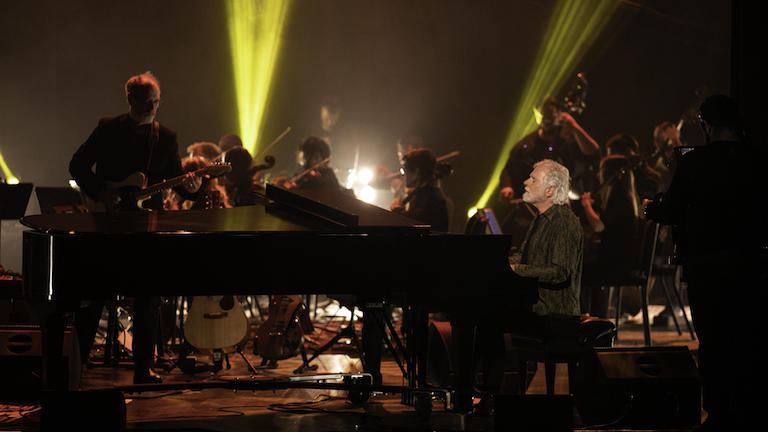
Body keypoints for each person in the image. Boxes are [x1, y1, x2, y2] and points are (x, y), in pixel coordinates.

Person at [69, 71, 201, 384]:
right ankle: (76, 368)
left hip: (146, 226)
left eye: (156, 102)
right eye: (146, 102)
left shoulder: (165, 137)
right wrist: (102, 190)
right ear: (130, 99)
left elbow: (177, 180)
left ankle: (143, 370)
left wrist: (194, 188)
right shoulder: (107, 128)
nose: (152, 107)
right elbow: (76, 165)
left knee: (149, 297)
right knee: (93, 297)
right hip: (108, 223)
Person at [644, 94, 765, 431]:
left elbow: (672, 209)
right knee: (746, 337)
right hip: (750, 263)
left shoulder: (695, 162)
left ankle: (717, 413)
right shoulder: (756, 159)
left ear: (707, 126)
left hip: (707, 265)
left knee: (712, 340)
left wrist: (650, 208)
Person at [477, 159, 583, 407]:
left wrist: (516, 269)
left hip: (554, 311)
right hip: (538, 306)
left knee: (489, 319)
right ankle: (493, 392)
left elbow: (559, 272)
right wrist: (496, 260)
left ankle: (494, 394)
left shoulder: (563, 222)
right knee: (486, 314)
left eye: (532, 179)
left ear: (550, 190)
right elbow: (523, 257)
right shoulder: (541, 219)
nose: (525, 181)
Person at [498, 97, 599, 248]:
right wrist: (507, 187)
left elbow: (593, 153)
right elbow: (509, 168)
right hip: (533, 212)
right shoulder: (529, 143)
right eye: (543, 116)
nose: (546, 121)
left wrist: (574, 126)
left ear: (559, 115)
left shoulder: (568, 138)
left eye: (550, 116)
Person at [580, 154, 641, 316]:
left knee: (573, 272)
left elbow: (599, 226)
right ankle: (594, 318)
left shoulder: (620, 198)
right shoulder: (624, 196)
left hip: (616, 264)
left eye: (601, 170)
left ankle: (589, 320)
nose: (598, 175)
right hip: (619, 261)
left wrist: (586, 206)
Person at [390, 148, 450, 232]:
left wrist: (398, 213)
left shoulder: (431, 198)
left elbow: (415, 224)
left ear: (417, 171)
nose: (403, 175)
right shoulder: (427, 193)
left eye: (404, 170)